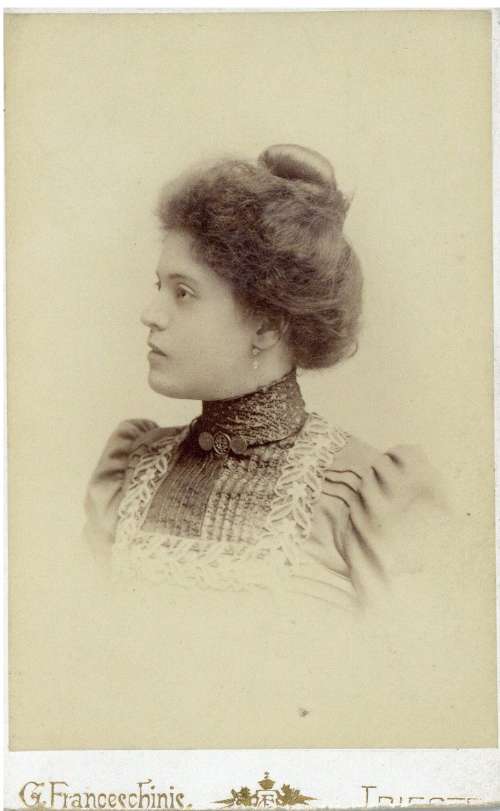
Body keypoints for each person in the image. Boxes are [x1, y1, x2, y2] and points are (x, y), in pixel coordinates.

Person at [83, 143, 448, 616]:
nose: (151, 314)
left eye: (184, 292)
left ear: (267, 326)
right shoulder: (129, 469)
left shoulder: (368, 498)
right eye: (160, 287)